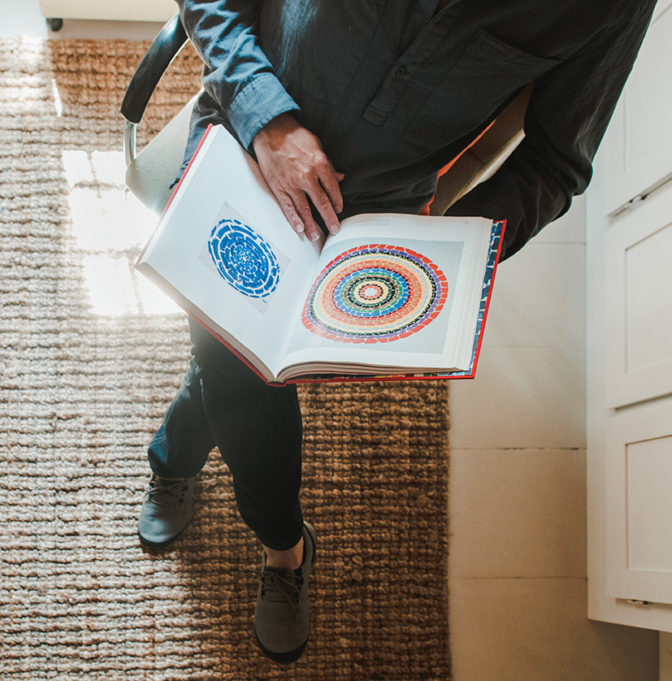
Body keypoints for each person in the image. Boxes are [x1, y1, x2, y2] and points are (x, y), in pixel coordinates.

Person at [137, 0, 657, 664]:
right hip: (243, 135)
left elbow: (556, 167)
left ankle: (176, 453)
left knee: (237, 359)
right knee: (242, 378)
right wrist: (267, 120)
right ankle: (284, 545)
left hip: (373, 223)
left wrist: (448, 255)